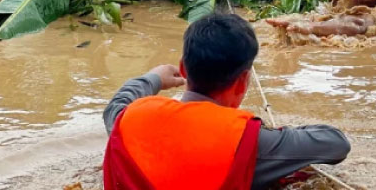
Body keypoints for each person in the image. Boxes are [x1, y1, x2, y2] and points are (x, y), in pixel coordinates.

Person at [102, 13, 350, 189]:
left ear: (183, 69)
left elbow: (117, 104)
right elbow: (336, 144)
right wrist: (276, 135)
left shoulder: (131, 119)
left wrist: (153, 78)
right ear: (243, 80)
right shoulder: (249, 138)